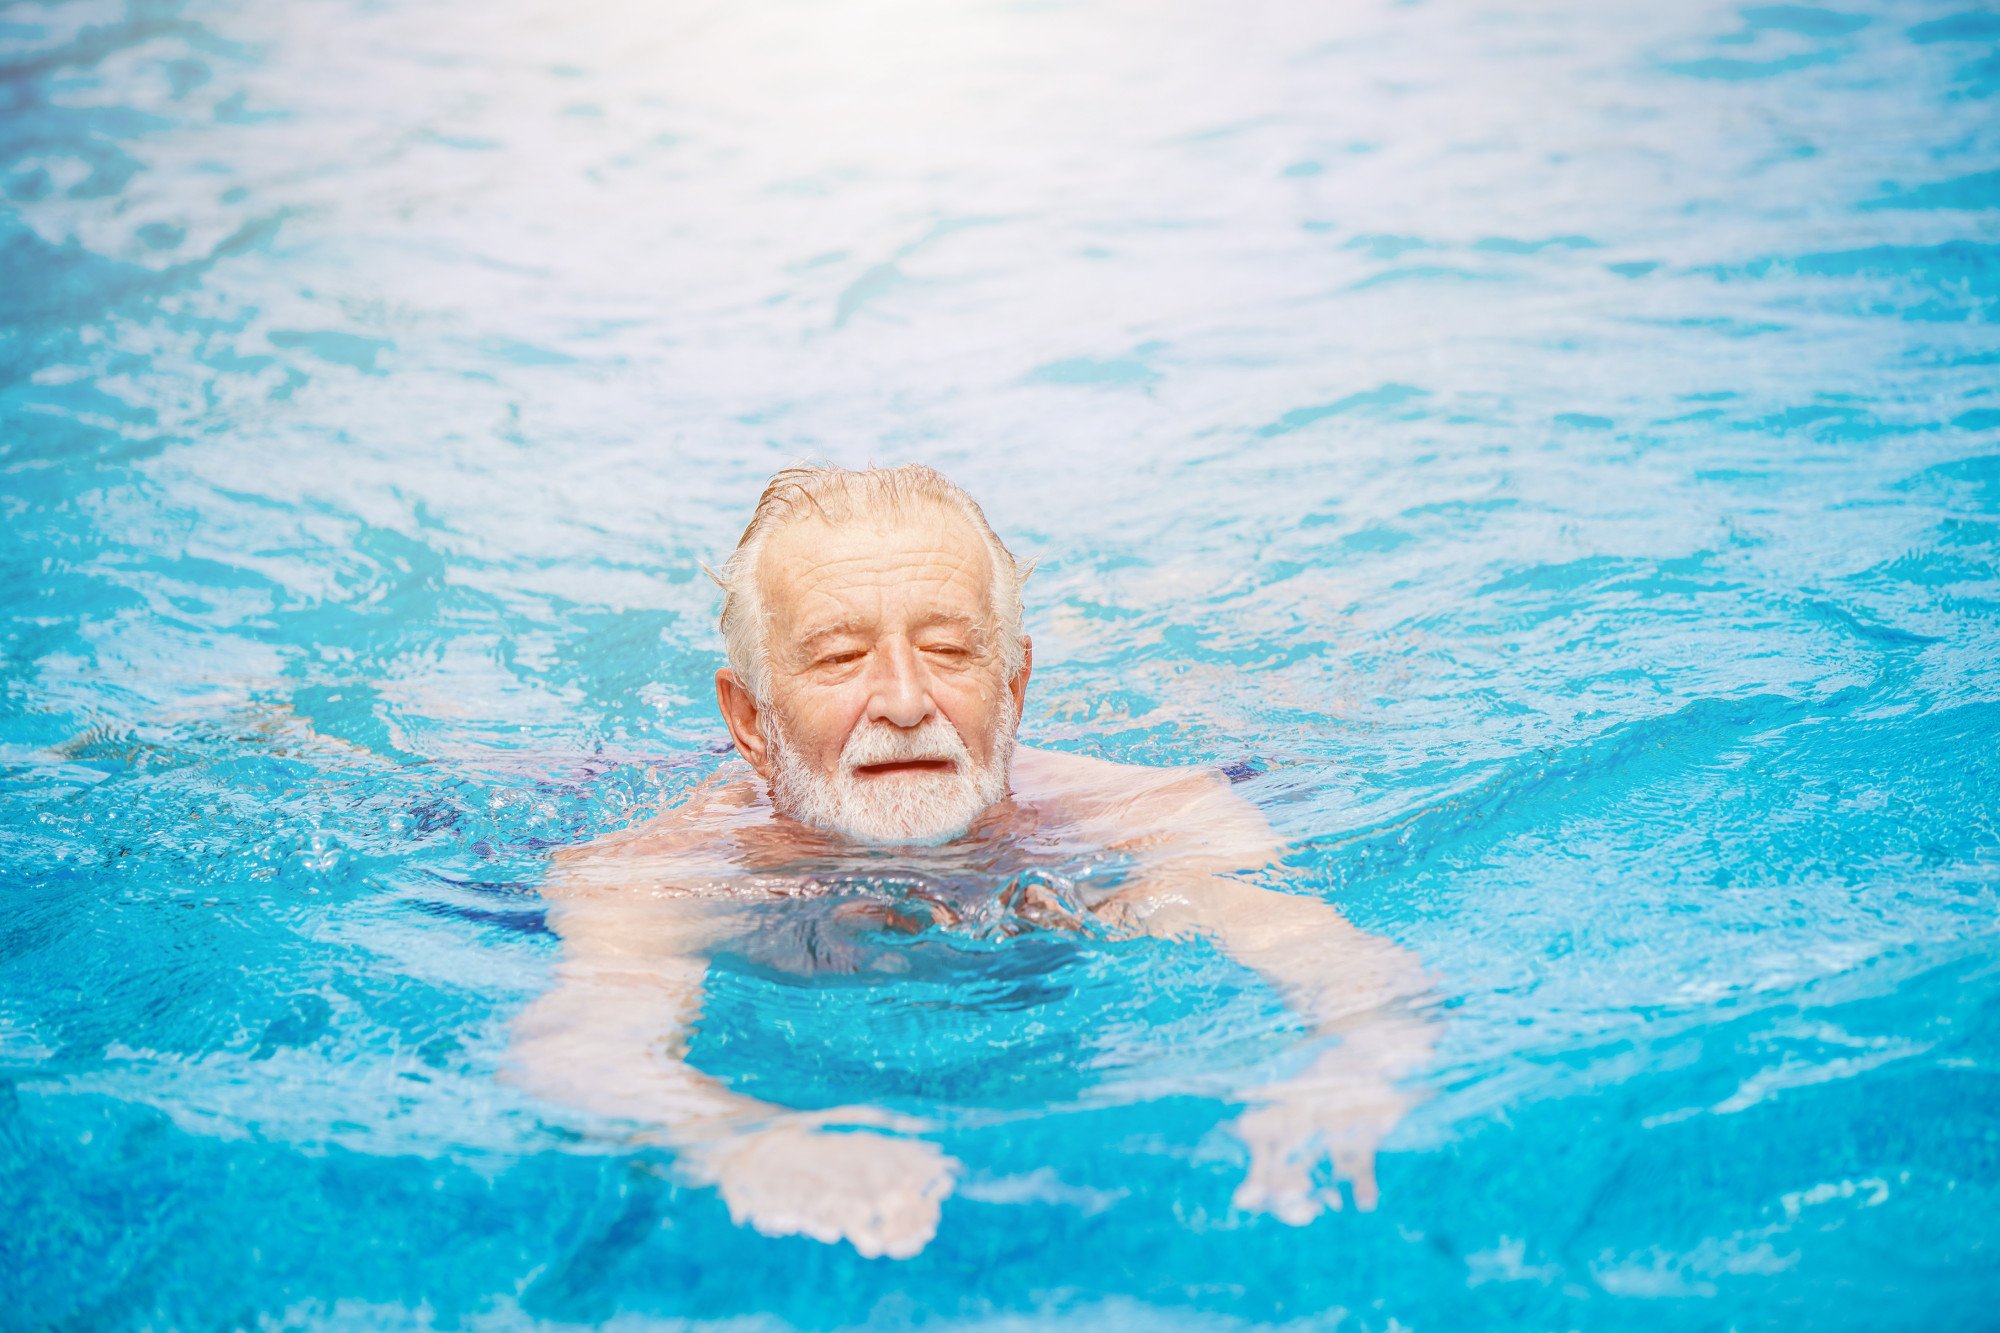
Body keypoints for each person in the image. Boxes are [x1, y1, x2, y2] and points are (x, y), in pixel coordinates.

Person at [509, 464, 1434, 1259]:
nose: (906, 700)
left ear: (1016, 682)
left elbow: (1342, 964)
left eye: (950, 651)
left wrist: (1356, 1062)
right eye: (839, 658)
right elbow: (584, 1049)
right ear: (749, 720)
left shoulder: (1149, 818)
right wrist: (739, 1138)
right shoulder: (660, 872)